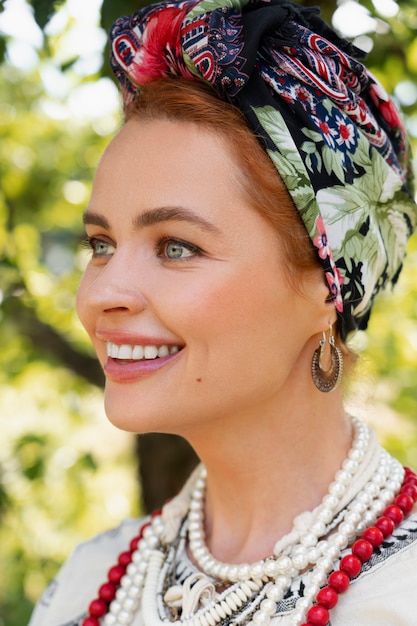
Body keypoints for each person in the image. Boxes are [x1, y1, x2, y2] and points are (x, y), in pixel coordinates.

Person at [28, 1, 417, 625]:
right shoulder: (90, 579)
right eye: (100, 245)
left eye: (176, 247)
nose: (102, 294)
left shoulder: (398, 597)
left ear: (326, 286)